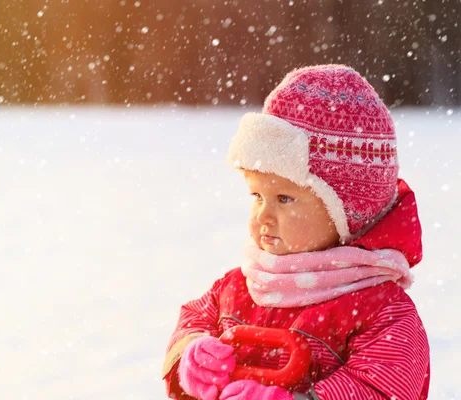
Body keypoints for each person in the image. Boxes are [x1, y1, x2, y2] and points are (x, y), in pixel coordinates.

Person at [162, 64, 430, 400]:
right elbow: (194, 317)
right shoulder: (238, 288)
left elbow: (382, 389)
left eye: (285, 198)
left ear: (347, 213)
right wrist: (191, 353)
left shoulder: (382, 313)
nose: (264, 215)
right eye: (257, 196)